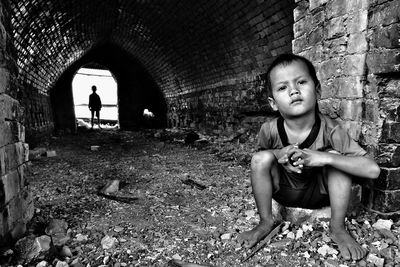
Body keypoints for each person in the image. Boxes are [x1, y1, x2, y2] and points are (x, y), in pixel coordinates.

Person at [237, 54, 380, 261]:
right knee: (261, 158)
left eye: (301, 82)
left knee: (334, 157)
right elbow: (260, 163)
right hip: (283, 191)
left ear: (318, 90)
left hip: (318, 193)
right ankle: (265, 222)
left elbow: (373, 170)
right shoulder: (269, 130)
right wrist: (279, 155)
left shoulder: (331, 129)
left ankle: (338, 228)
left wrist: (322, 158)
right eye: (282, 88)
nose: (294, 91)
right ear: (273, 103)